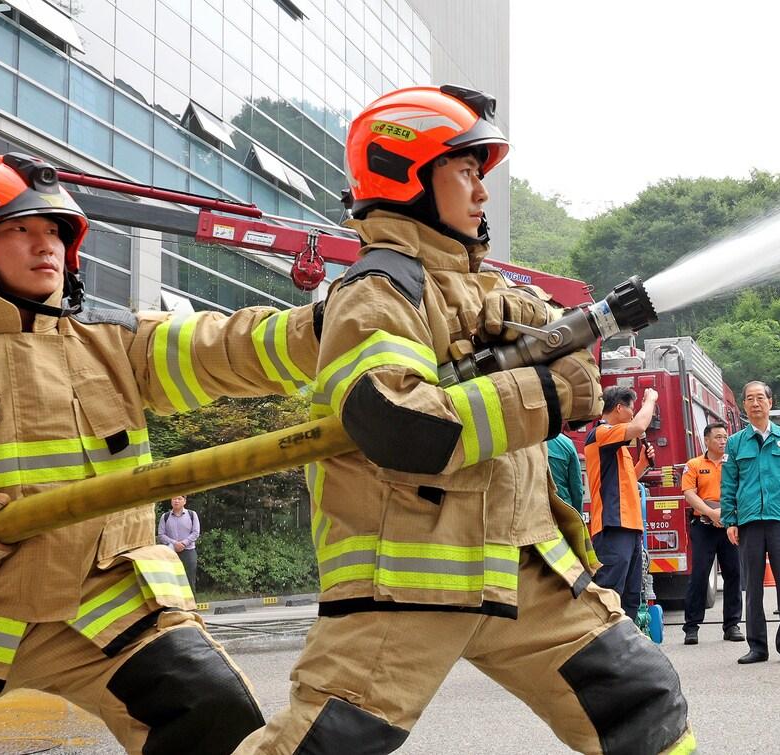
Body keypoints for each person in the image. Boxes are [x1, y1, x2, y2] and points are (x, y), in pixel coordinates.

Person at [234, 86, 692, 754]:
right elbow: (397, 423)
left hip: (521, 568)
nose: (482, 192)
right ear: (407, 174)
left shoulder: (483, 288)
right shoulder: (378, 292)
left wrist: (539, 339)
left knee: (642, 702)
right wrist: (549, 395)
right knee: (327, 744)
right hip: (410, 579)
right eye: (467, 171)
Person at [0, 153, 327, 752]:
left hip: (105, 607)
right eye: (20, 230)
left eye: (56, 232)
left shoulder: (119, 343)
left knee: (214, 715)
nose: (47, 247)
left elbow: (231, 346)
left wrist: (336, 324)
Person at [722, 381, 780, 665]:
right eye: (749, 399)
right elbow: (728, 484)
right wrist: (730, 519)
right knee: (752, 586)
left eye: (760, 398)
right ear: (744, 405)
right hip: (748, 520)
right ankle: (757, 647)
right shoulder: (735, 443)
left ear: (771, 403)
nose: (755, 403)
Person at [585, 385, 658, 621]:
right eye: (631, 408)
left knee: (631, 593)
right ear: (619, 407)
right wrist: (652, 399)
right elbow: (638, 426)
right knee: (610, 591)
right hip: (613, 524)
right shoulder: (601, 433)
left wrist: (643, 464)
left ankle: (628, 645)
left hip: (628, 525)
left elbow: (626, 481)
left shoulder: (616, 444)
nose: (633, 413)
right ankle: (605, 646)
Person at [680, 423, 743, 645]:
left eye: (725, 437)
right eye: (717, 437)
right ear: (706, 440)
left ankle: (732, 625)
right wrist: (711, 513)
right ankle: (691, 627)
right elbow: (689, 493)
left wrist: (727, 515)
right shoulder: (694, 464)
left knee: (734, 574)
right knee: (699, 575)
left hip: (730, 526)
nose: (722, 441)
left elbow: (741, 490)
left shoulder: (734, 463)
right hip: (703, 525)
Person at [158, 495, 201, 589]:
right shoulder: (165, 517)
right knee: (172, 581)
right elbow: (161, 535)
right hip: (171, 552)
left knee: (189, 581)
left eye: (179, 499)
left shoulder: (192, 514)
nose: (176, 501)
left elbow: (196, 532)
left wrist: (184, 543)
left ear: (184, 501)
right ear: (171, 501)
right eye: (174, 499)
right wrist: (175, 543)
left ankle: (191, 603)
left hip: (189, 552)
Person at [545, 431, 585, 517]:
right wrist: (578, 518)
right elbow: (577, 489)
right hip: (562, 511)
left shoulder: (523, 442)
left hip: (532, 512)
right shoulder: (566, 443)